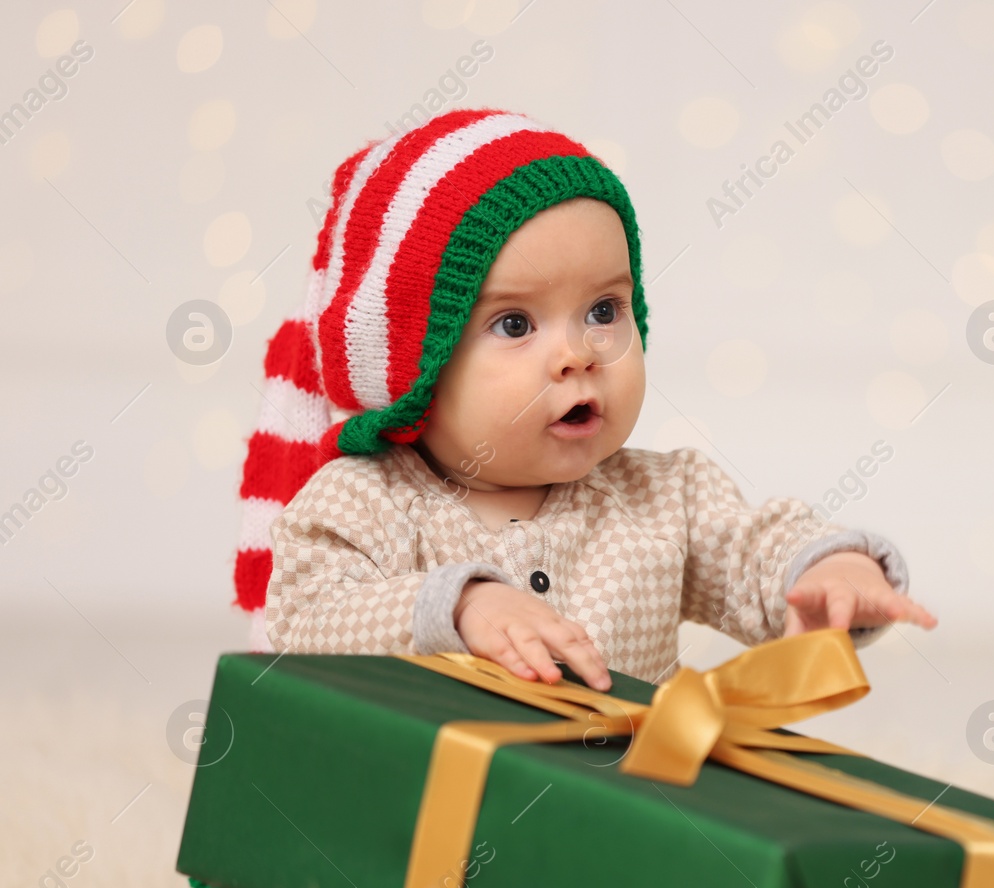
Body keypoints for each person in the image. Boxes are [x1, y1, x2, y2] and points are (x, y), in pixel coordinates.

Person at [232, 109, 936, 690]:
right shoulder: (362, 503)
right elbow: (310, 618)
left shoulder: (665, 498)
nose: (579, 354)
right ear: (419, 370)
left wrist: (824, 569)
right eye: (515, 324)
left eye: (604, 309)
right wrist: (458, 604)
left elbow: (750, 549)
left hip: (622, 817)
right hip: (435, 822)